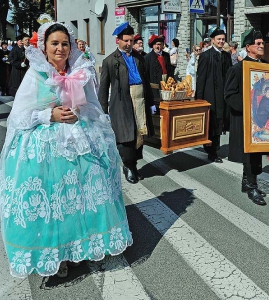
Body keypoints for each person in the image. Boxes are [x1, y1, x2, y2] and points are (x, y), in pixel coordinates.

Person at [0, 22, 133, 279]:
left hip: (80, 139)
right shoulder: (36, 75)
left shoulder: (79, 73)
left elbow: (93, 107)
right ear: (45, 48)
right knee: (53, 203)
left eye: (64, 43)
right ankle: (56, 255)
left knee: (80, 200)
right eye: (54, 43)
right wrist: (49, 114)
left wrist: (80, 113)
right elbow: (18, 117)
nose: (60, 48)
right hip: (47, 146)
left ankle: (80, 247)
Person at [224, 28, 269, 205]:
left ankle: (247, 182)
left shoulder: (266, 67)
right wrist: (249, 107)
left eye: (263, 43)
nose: (262, 46)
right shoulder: (237, 69)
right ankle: (252, 186)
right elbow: (229, 94)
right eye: (258, 44)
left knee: (255, 153)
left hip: (262, 119)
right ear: (248, 47)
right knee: (250, 154)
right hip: (245, 118)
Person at [98, 22, 156, 184]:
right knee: (126, 136)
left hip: (140, 101)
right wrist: (104, 111)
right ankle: (128, 165)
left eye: (131, 40)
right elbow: (103, 88)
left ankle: (134, 164)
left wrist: (151, 102)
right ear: (118, 40)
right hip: (122, 103)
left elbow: (146, 82)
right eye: (125, 41)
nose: (129, 44)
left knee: (139, 134)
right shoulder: (110, 61)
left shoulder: (139, 58)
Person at [196, 27, 232, 163]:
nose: (221, 41)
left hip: (222, 95)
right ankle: (211, 150)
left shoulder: (226, 56)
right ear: (212, 40)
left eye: (223, 39)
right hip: (210, 95)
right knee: (211, 123)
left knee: (219, 121)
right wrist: (199, 99)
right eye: (219, 39)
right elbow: (201, 79)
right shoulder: (206, 56)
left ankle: (214, 148)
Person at [144, 34, 174, 99]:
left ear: (163, 45)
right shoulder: (147, 58)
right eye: (156, 44)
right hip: (154, 90)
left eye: (160, 44)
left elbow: (169, 69)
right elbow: (146, 75)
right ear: (153, 45)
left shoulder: (166, 55)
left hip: (166, 87)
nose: (158, 46)